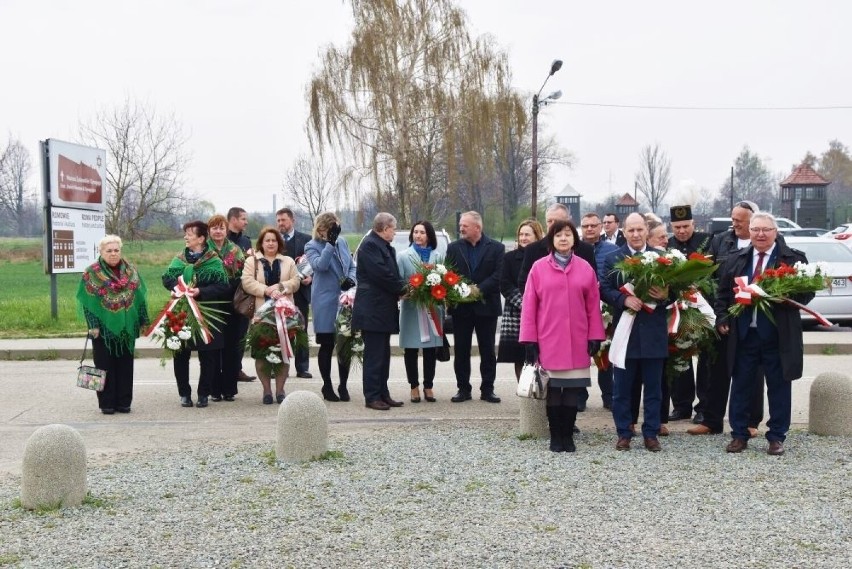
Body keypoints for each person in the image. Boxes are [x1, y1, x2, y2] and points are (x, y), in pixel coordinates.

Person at [714, 212, 812, 456]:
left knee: (779, 387)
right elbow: (723, 294)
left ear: (775, 232)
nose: (760, 234)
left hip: (778, 337)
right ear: (750, 231)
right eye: (756, 229)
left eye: (766, 230)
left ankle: (776, 436)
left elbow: (806, 294)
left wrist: (785, 297)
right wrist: (723, 318)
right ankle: (739, 435)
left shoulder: (792, 260)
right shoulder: (736, 259)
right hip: (745, 335)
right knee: (741, 386)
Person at [519, 220, 605, 452]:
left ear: (574, 239)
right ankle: (555, 436)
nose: (563, 239)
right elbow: (529, 306)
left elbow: (592, 306)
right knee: (554, 391)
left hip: (578, 340)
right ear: (551, 240)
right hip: (549, 339)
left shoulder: (585, 268)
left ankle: (569, 435)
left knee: (573, 392)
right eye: (558, 235)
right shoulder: (538, 268)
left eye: (568, 234)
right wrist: (529, 340)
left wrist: (595, 336)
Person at [689, 200, 765, 437]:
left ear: (753, 223)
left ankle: (751, 422)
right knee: (717, 368)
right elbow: (709, 272)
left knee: (753, 371)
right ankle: (711, 420)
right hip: (724, 313)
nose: (734, 225)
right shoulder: (721, 240)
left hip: (752, 317)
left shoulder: (762, 243)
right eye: (733, 220)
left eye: (739, 221)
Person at [601, 213, 672, 452]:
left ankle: (651, 433)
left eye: (639, 230)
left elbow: (676, 290)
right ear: (624, 231)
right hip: (626, 333)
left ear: (646, 230)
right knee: (622, 389)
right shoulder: (613, 258)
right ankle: (624, 432)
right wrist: (623, 299)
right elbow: (604, 288)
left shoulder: (662, 257)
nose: (635, 234)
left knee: (653, 389)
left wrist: (665, 296)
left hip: (653, 334)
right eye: (630, 230)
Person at [76, 235, 149, 414]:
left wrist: (143, 321)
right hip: (102, 329)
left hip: (127, 328)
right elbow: (87, 303)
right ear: (101, 252)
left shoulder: (131, 271)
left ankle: (124, 402)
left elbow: (140, 297)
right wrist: (93, 326)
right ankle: (107, 403)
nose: (113, 254)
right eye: (109, 251)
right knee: (104, 366)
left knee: (125, 365)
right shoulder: (91, 273)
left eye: (116, 250)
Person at [163, 221, 231, 408]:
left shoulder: (213, 260)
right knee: (181, 353)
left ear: (201, 238)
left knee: (207, 356)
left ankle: (203, 393)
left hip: (207, 312)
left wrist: (200, 292)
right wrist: (177, 288)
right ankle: (184, 393)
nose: (186, 237)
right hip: (182, 311)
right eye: (185, 233)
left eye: (190, 234)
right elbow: (167, 279)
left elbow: (223, 285)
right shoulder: (179, 259)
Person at [445, 211, 505, 403]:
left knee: (487, 350)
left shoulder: (497, 248)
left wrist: (478, 290)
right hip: (461, 308)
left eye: (465, 225)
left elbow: (498, 275)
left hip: (486, 307)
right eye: (461, 225)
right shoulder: (453, 248)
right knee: (461, 350)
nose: (461, 228)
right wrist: (461, 291)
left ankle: (488, 389)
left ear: (477, 228)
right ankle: (463, 389)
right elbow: (449, 274)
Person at [353, 213, 408, 410]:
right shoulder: (370, 245)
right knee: (374, 357)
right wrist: (403, 289)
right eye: (393, 228)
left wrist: (400, 288)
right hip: (372, 310)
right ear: (384, 228)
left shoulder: (384, 246)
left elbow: (390, 274)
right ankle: (372, 396)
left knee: (383, 356)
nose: (394, 232)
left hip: (382, 310)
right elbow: (381, 274)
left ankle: (383, 393)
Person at [241, 227, 301, 404]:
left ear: (279, 243)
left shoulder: (288, 261)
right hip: (261, 315)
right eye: (267, 240)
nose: (270, 243)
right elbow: (247, 282)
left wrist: (281, 288)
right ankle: (267, 391)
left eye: (274, 240)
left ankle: (280, 390)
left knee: (283, 354)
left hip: (285, 316)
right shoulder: (253, 261)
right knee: (261, 354)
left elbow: (296, 281)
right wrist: (266, 290)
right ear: (261, 243)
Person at [304, 212, 357, 402]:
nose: (334, 233)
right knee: (327, 344)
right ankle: (327, 385)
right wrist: (330, 244)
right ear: (321, 229)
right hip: (325, 301)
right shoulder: (311, 246)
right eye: (330, 229)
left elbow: (352, 265)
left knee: (344, 343)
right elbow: (320, 266)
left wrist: (351, 279)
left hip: (344, 299)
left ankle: (343, 385)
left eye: (335, 229)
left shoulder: (342, 242)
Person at [667, 205, 712, 423]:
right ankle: (681, 405)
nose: (682, 231)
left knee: (705, 359)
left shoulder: (707, 241)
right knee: (680, 355)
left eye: (685, 226)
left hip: (702, 308)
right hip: (679, 309)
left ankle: (703, 406)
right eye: (677, 227)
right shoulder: (668, 245)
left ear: (694, 224)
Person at [398, 220, 445, 403]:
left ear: (429, 236)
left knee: (430, 350)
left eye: (422, 232)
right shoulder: (403, 256)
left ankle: (428, 386)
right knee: (411, 349)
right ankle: (414, 386)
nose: (418, 235)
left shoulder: (437, 256)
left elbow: (443, 282)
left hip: (432, 309)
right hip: (412, 309)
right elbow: (399, 282)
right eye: (415, 232)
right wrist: (410, 290)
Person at [579, 212, 619, 410]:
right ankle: (580, 395)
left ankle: (608, 395)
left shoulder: (612, 250)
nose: (589, 229)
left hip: (606, 307)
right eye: (585, 226)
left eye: (593, 225)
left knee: (605, 351)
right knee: (580, 354)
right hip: (580, 308)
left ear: (600, 227)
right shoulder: (573, 249)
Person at [498, 219, 544, 381]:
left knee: (543, 354)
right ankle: (525, 395)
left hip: (543, 312)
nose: (523, 238)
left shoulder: (545, 257)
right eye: (521, 234)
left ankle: (542, 394)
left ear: (537, 236)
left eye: (527, 234)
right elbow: (505, 284)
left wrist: (539, 304)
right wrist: (526, 304)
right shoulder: (509, 258)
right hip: (517, 313)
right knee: (519, 356)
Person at [206, 214, 246, 402]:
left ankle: (229, 388)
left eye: (221, 228)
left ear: (226, 230)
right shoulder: (204, 250)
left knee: (231, 348)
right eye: (214, 228)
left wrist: (230, 284)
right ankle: (214, 389)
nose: (218, 231)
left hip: (232, 304)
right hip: (211, 305)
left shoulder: (235, 250)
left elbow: (243, 274)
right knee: (214, 349)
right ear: (209, 230)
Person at [518, 203, 596, 294]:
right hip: (545, 305)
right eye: (549, 221)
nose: (553, 225)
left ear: (568, 221)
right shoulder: (532, 249)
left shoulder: (586, 250)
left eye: (557, 221)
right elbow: (524, 282)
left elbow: (592, 283)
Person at [276, 207, 313, 379]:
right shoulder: (273, 240)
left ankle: (302, 367)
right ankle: (280, 366)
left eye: (283, 220)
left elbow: (313, 263)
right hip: (280, 293)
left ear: (292, 220)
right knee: (279, 329)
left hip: (300, 294)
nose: (280, 224)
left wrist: (310, 277)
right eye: (278, 221)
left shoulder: (306, 240)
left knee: (301, 329)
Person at [226, 206, 256, 383]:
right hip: (225, 293)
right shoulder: (222, 240)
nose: (246, 222)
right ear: (233, 219)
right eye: (243, 219)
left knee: (241, 334)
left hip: (243, 293)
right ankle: (225, 370)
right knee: (227, 336)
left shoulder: (246, 241)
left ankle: (237, 369)